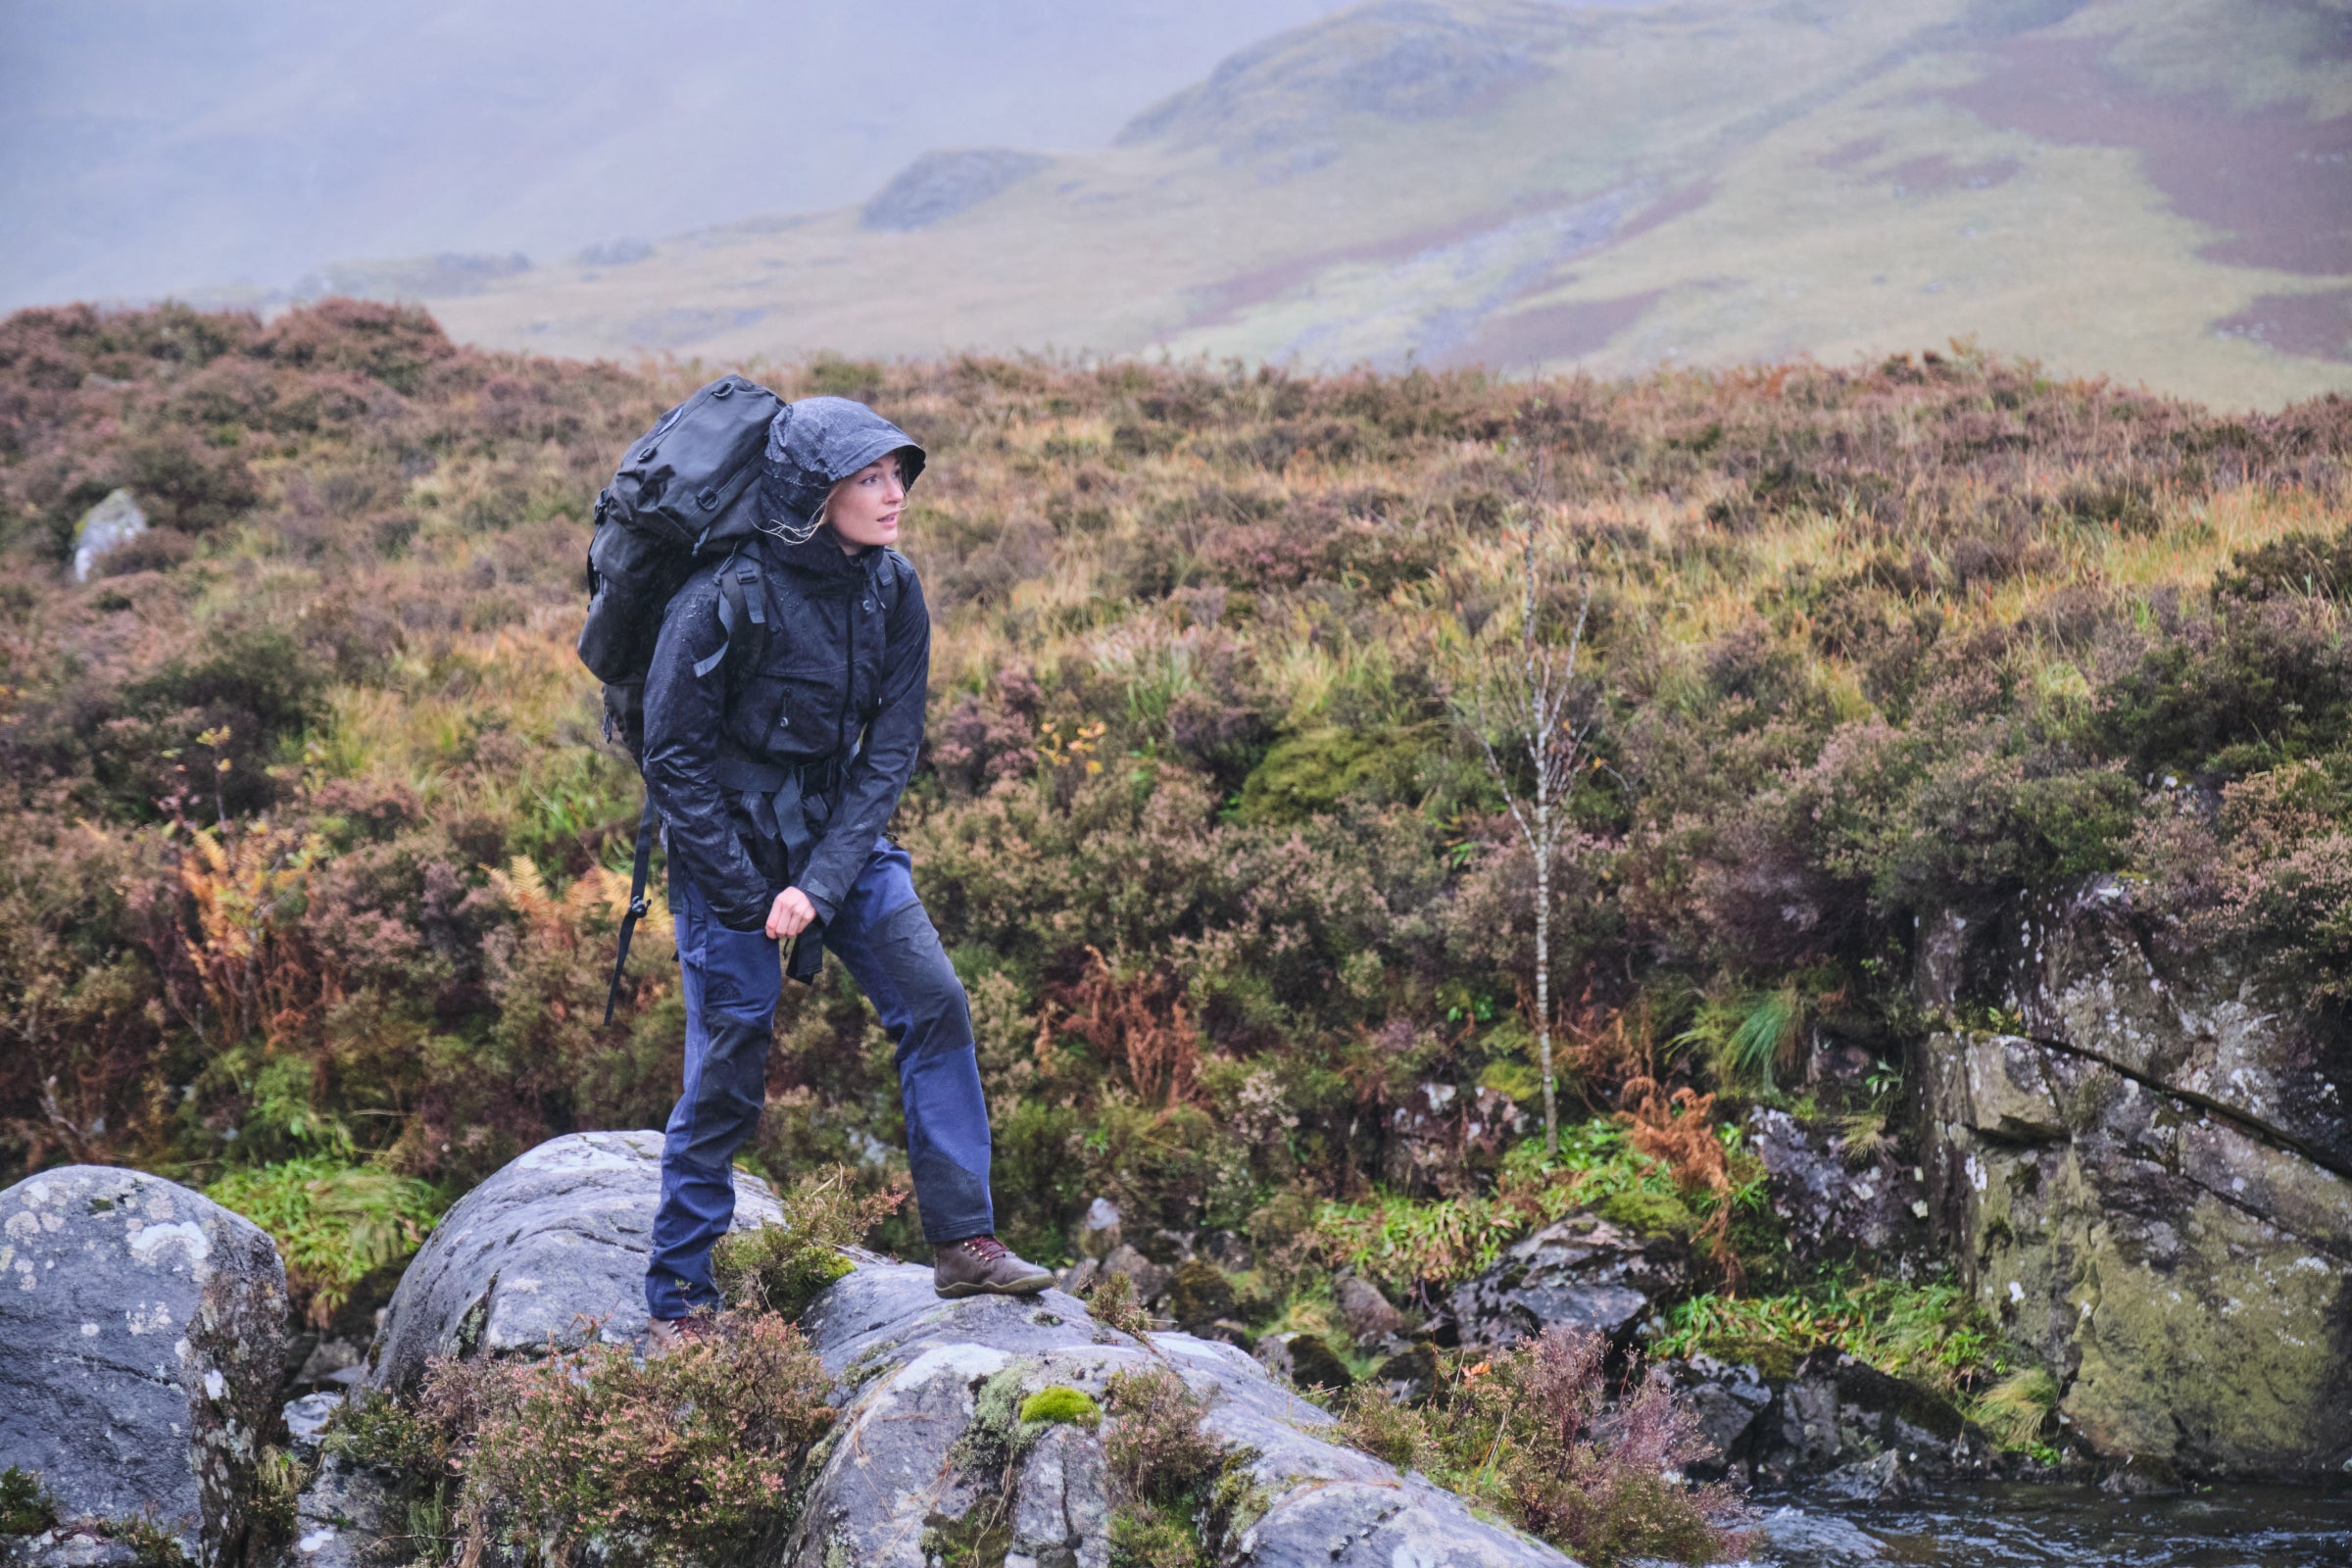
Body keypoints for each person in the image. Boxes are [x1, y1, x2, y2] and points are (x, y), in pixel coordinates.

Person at [638, 395, 1052, 1340]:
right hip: (724, 849)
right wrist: (750, 895)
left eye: (897, 473)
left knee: (935, 1000)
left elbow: (890, 750)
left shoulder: (893, 590)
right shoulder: (720, 599)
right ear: (812, 494)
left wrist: (819, 886)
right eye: (869, 477)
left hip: (840, 841)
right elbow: (673, 762)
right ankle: (680, 1302)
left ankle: (964, 1247)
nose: (895, 492)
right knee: (730, 1058)